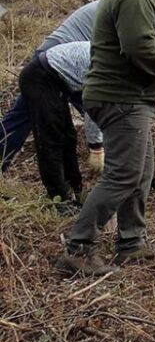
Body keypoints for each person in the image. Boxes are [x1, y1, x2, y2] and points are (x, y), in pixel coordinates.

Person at [57, 0, 155, 276]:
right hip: (123, 99)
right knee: (124, 174)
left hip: (127, 97)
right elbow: (139, 48)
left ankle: (131, 243)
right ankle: (78, 249)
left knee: (141, 171)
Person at [1, 0, 101, 172]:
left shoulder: (121, 2)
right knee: (23, 118)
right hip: (54, 61)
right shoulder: (124, 8)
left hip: (73, 62)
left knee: (102, 117)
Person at [18, 41, 103, 213]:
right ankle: (59, 201)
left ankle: (76, 190)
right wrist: (96, 148)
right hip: (40, 76)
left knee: (68, 137)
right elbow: (94, 107)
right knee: (51, 141)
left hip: (58, 80)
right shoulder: (110, 66)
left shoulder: (120, 59)